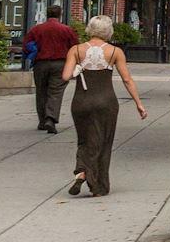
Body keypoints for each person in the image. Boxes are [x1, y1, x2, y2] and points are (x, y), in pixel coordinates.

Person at [61, 15, 147, 197]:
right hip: (106, 101)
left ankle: (82, 170)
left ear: (90, 29)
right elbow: (127, 80)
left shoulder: (75, 50)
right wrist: (138, 103)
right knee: (103, 141)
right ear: (108, 31)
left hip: (81, 101)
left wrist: (78, 69)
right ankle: (98, 186)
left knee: (84, 139)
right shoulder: (115, 52)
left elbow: (66, 76)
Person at [23, 6, 77, 134]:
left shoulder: (37, 29)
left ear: (47, 14)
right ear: (60, 15)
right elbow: (75, 46)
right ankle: (50, 118)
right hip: (60, 63)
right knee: (56, 92)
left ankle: (42, 121)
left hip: (40, 64)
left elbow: (26, 45)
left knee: (41, 91)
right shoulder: (66, 29)